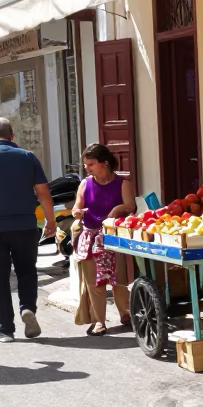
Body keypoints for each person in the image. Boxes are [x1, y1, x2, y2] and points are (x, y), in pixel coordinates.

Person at [0, 117, 55, 342]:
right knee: (27, 270)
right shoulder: (27, 157)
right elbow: (44, 192)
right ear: (12, 134)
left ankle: (5, 330)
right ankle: (28, 309)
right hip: (25, 226)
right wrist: (51, 221)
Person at [71, 144, 135, 335]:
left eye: (91, 164)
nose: (87, 169)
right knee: (94, 282)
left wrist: (116, 211)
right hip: (91, 237)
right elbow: (76, 207)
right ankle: (100, 321)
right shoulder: (85, 184)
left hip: (115, 237)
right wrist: (77, 213)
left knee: (119, 280)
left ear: (104, 163)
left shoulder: (123, 184)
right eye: (85, 165)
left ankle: (125, 313)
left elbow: (130, 206)